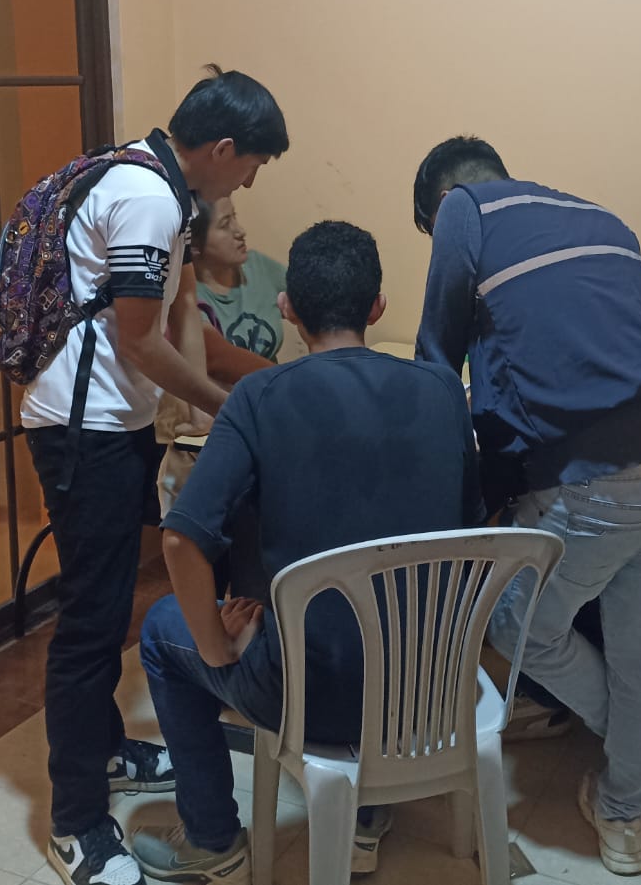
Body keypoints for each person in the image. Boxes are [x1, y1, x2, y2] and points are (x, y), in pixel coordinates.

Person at [132, 221, 484, 882]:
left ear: (287, 307)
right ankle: (367, 812)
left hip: (311, 696)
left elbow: (180, 538)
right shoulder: (442, 389)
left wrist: (217, 646)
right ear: (377, 306)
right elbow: (467, 528)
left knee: (159, 631)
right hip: (429, 691)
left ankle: (213, 841)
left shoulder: (259, 397)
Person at [413, 136, 641, 877]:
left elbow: (434, 361)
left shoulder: (463, 211)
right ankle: (623, 809)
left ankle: (637, 742)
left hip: (602, 483)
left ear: (441, 205)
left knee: (514, 623)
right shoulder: (597, 217)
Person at [22, 65, 288, 885]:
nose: (249, 184)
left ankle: (106, 747)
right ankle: (76, 823)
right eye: (253, 166)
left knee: (114, 598)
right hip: (86, 432)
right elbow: (138, 341)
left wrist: (217, 389)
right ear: (223, 147)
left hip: (114, 421)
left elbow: (173, 323)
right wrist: (229, 408)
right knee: (91, 622)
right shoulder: (147, 197)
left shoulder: (154, 182)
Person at [192, 196, 292, 362]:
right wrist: (285, 375)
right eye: (225, 224)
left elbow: (315, 298)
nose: (240, 231)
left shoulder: (258, 266)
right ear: (194, 244)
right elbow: (218, 360)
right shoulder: (187, 294)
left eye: (234, 217)